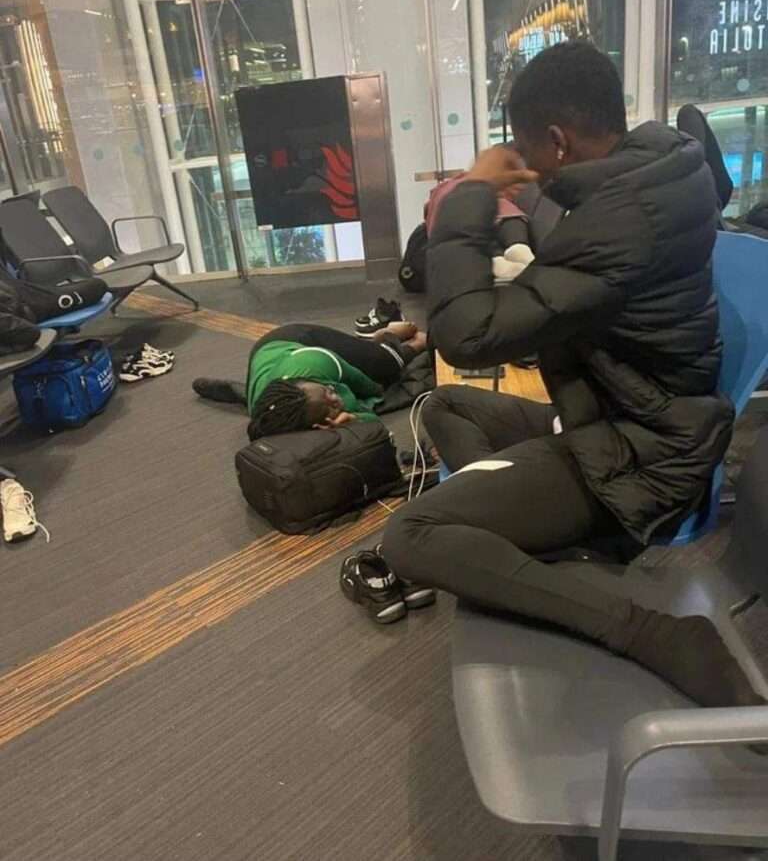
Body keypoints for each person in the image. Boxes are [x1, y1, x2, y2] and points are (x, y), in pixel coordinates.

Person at [356, 41, 763, 710]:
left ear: (558, 140)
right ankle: (526, 534)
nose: (529, 169)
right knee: (445, 406)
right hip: (612, 412)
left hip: (641, 453)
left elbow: (467, 334)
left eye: (529, 152)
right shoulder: (658, 169)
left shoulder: (621, 221)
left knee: (410, 537)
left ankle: (651, 631)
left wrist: (472, 192)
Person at [193, 322, 428, 438]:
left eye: (329, 392)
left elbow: (373, 390)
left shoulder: (318, 363)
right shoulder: (274, 420)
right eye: (331, 406)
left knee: (386, 368)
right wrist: (355, 419)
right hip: (269, 366)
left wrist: (354, 411)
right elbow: (367, 419)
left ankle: (391, 335)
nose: (336, 399)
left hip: (296, 340)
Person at [0, 270, 107, 355]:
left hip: (18, 292)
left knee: (96, 286)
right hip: (30, 304)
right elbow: (29, 333)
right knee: (97, 286)